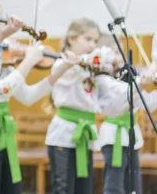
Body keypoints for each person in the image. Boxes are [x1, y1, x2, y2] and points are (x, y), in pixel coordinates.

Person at [0, 0, 80, 194]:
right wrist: (29, 61)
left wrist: (60, 71)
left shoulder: (0, 58)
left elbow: (28, 96)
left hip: (3, 133)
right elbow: (1, 89)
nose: (4, 24)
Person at [45, 18, 113, 193]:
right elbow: (77, 69)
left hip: (85, 133)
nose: (93, 45)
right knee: (63, 187)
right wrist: (95, 57)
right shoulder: (61, 64)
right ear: (71, 39)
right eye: (88, 39)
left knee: (84, 188)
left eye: (96, 41)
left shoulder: (91, 66)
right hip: (64, 134)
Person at [96, 33, 157, 194]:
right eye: (115, 52)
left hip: (131, 137)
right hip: (113, 137)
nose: (120, 58)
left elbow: (146, 103)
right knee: (114, 186)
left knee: (134, 186)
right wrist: (143, 79)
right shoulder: (104, 78)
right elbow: (123, 96)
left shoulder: (126, 76)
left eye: (121, 53)